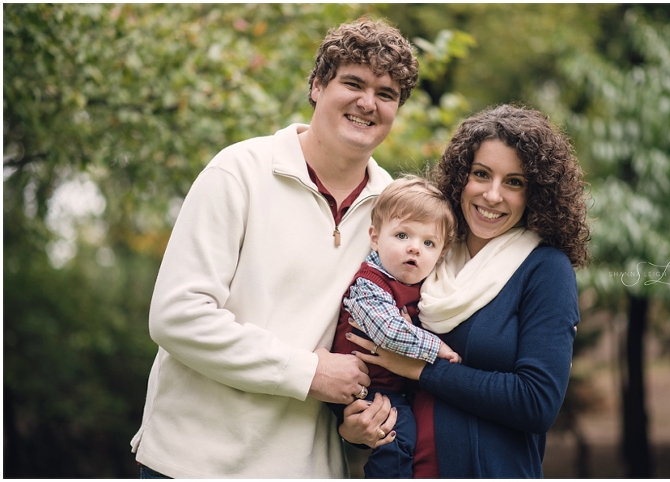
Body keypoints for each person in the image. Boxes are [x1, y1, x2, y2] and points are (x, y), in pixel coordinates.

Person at [130, 18, 419, 478]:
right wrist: (306, 372)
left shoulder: (397, 214)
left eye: (386, 94)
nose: (368, 103)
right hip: (191, 461)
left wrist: (360, 422)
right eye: (353, 83)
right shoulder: (239, 171)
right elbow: (177, 315)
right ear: (318, 86)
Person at [344, 104, 591, 477]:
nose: (492, 195)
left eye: (514, 182)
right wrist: (356, 428)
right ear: (462, 177)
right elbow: (377, 372)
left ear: (536, 193)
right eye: (481, 174)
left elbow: (537, 403)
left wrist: (423, 370)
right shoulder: (427, 256)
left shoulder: (544, 270)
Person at [330, 175, 460, 478]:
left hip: (391, 387)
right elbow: (388, 332)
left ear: (441, 254)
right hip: (365, 388)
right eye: (403, 236)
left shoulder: (423, 287)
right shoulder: (369, 284)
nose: (415, 248)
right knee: (396, 439)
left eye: (428, 243)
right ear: (375, 237)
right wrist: (436, 347)